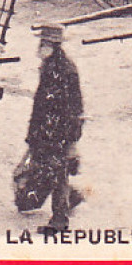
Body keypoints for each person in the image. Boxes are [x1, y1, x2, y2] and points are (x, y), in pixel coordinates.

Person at [26, 22, 85, 235]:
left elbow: (74, 106)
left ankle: (60, 220)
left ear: (54, 45)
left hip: (59, 130)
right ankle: (72, 197)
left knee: (57, 172)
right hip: (47, 128)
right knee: (49, 169)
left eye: (44, 43)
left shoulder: (65, 70)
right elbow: (40, 102)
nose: (40, 47)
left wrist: (71, 138)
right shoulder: (50, 66)